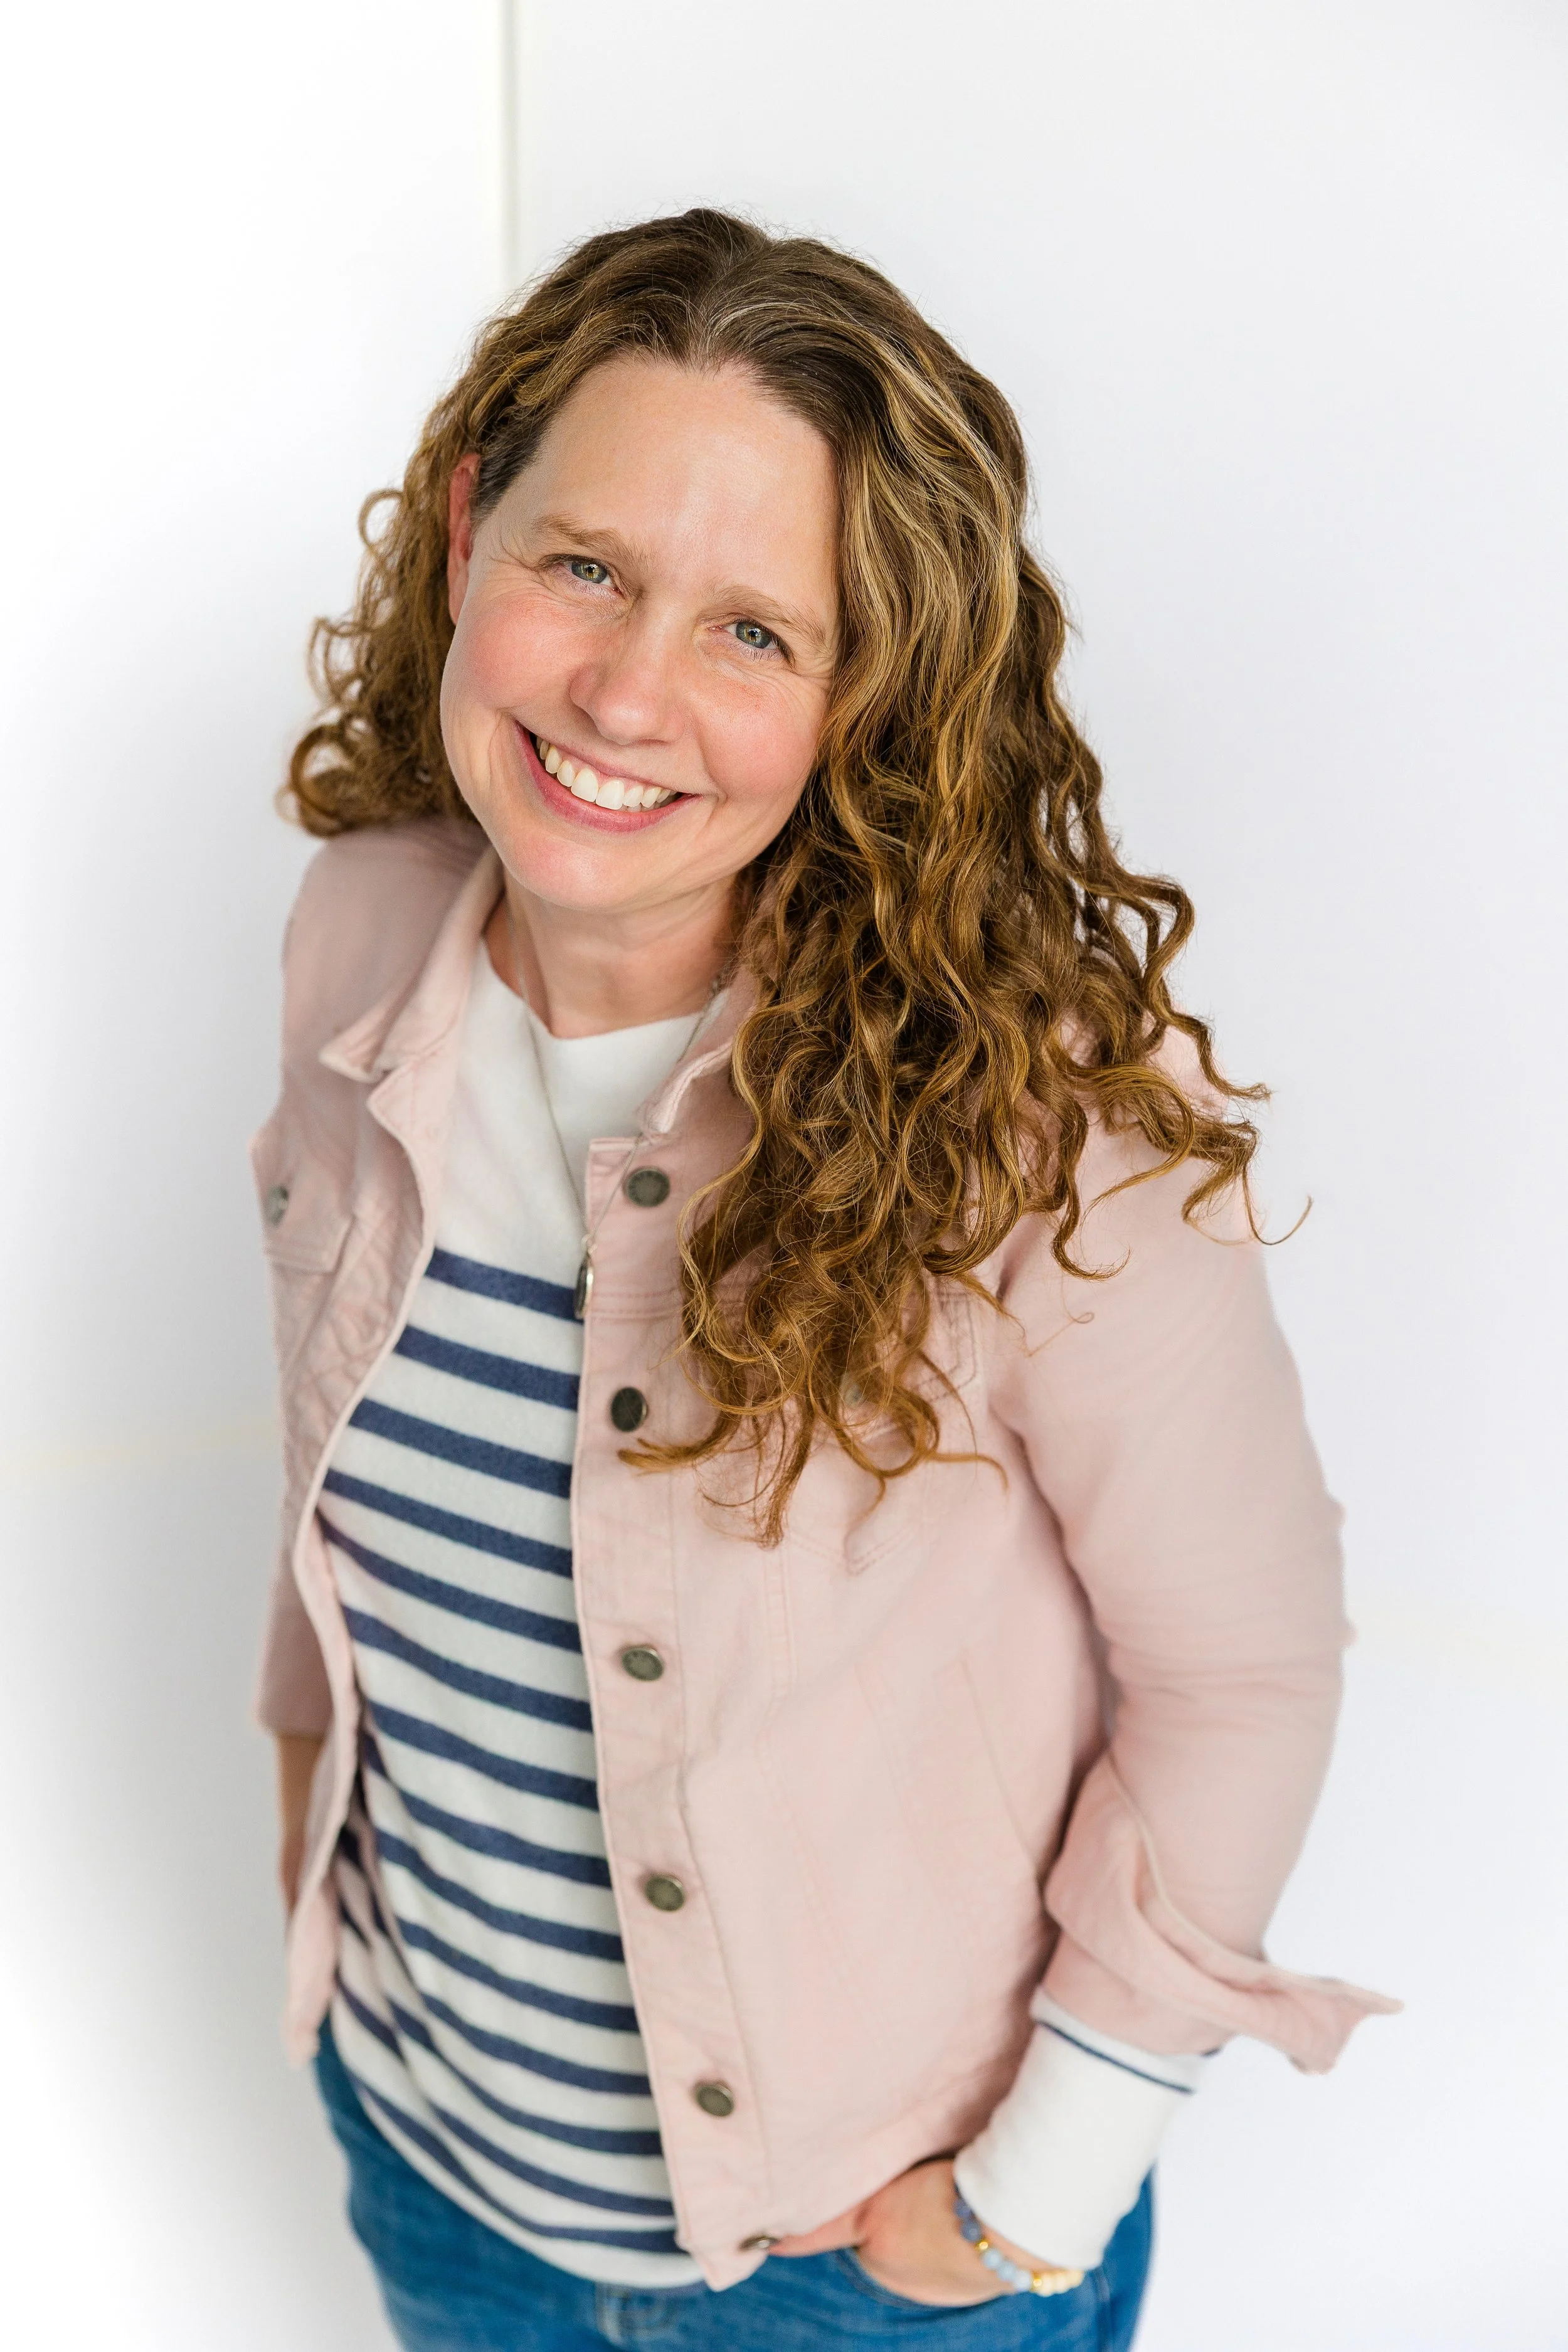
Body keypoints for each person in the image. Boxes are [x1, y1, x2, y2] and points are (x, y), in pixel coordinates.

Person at [254, 208, 1394, 2351]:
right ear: (469, 531)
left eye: (753, 631)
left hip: (863, 2277)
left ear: (871, 692)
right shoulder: (353, 941)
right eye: (584, 564)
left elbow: (1239, 1668)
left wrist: (1026, 2202)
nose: (621, 693)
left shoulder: (1041, 1121)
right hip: (436, 2173)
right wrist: (308, 1868)